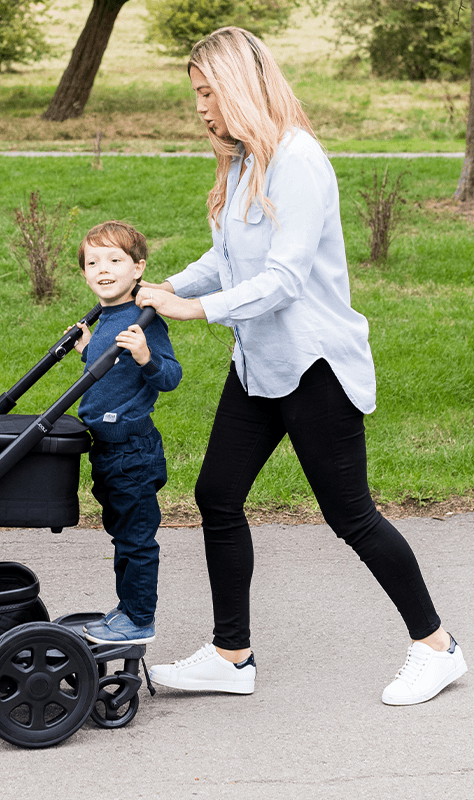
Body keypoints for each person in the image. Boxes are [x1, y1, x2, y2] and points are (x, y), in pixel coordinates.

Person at [137, 27, 467, 704]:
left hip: (316, 364)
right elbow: (229, 260)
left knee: (351, 516)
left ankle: (437, 647)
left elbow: (284, 279)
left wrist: (197, 313)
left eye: (208, 93)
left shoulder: (299, 161)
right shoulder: (240, 160)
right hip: (260, 361)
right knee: (217, 495)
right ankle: (232, 656)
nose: (200, 108)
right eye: (194, 95)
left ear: (239, 86)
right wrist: (164, 288)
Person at [68, 220, 182, 645]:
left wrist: (146, 356)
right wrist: (86, 352)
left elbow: (170, 377)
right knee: (122, 535)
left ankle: (139, 618)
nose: (103, 269)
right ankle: (127, 609)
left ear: (138, 269)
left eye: (115, 260)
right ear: (84, 273)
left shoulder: (143, 321)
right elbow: (110, 376)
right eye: (93, 262)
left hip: (133, 450)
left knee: (135, 540)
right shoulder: (105, 317)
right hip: (108, 450)